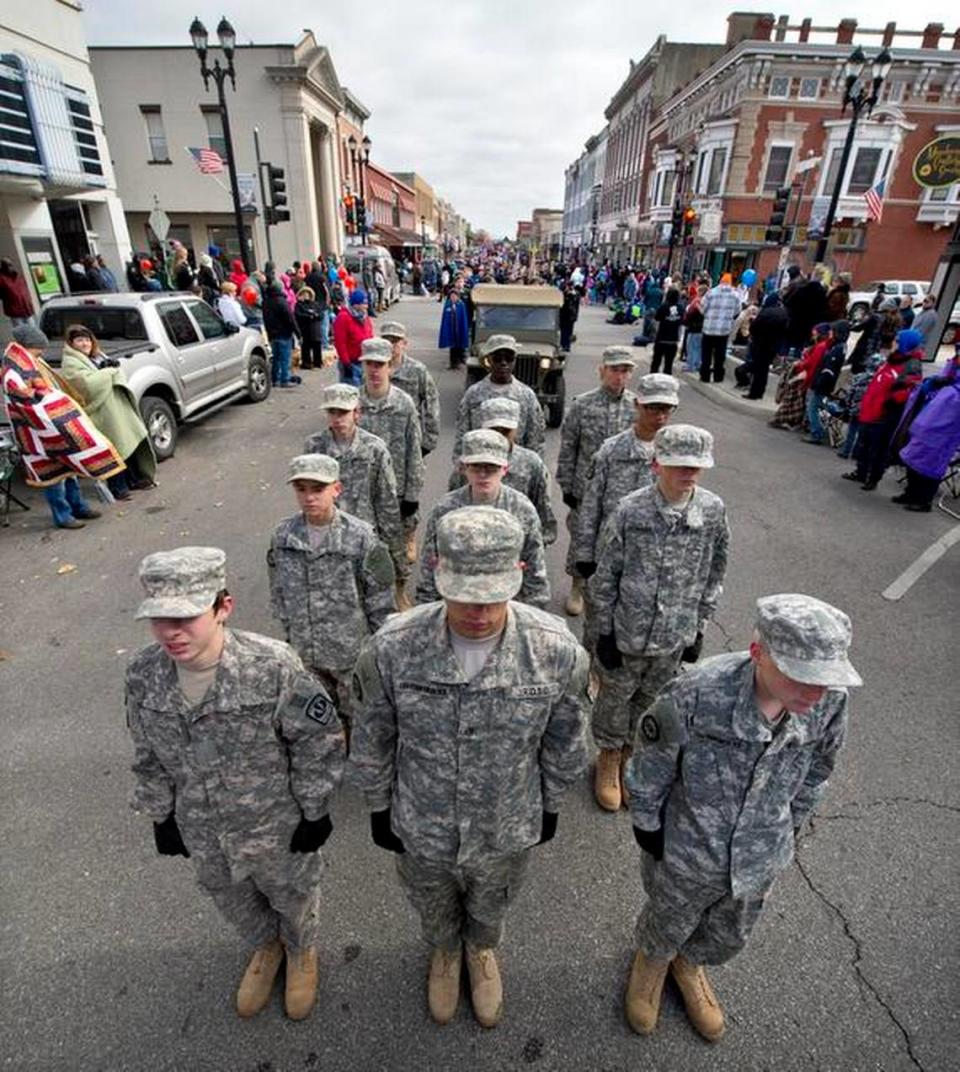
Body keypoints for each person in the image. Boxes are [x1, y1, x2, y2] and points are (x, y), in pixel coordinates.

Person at [351, 507, 590, 1028]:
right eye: (463, 594)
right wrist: (377, 805)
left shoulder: (555, 651)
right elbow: (372, 734)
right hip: (422, 818)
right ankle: (444, 952)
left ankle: (480, 951)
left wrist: (550, 805)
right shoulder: (393, 648)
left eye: (492, 595)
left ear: (520, 576)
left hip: (506, 819)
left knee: (492, 901)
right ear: (437, 573)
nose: (478, 611)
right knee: (431, 897)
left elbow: (566, 737)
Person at [623, 594, 861, 1042]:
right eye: (802, 676)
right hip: (689, 851)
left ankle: (688, 965)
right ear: (758, 654)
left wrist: (789, 826)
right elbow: (651, 762)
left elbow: (819, 769)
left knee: (727, 930)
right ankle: (651, 963)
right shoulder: (697, 691)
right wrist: (648, 825)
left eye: (826, 678)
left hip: (759, 854)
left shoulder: (830, 702)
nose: (816, 692)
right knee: (668, 916)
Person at [125, 547, 345, 1022]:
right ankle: (266, 947)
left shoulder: (273, 666)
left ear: (224, 607)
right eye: (160, 619)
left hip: (275, 825)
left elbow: (318, 741)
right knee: (230, 896)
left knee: (293, 894)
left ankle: (301, 951)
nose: (171, 632)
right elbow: (146, 750)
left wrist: (315, 809)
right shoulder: (144, 675)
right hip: (203, 827)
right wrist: (161, 815)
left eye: (186, 617)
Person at [590, 425, 730, 812]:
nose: (688, 473)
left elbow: (715, 571)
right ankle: (608, 758)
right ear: (656, 464)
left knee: (653, 700)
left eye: (696, 466)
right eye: (679, 465)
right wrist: (603, 631)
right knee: (615, 698)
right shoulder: (630, 510)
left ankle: (632, 755)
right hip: (628, 631)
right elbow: (607, 575)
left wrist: (699, 626)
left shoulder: (712, 510)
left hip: (675, 632)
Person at [268, 454, 395, 734]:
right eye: (301, 489)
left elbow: (380, 601)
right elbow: (278, 590)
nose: (309, 497)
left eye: (318, 489)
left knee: (360, 721)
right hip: (305, 653)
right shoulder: (284, 536)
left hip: (350, 654)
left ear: (336, 489)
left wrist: (378, 651)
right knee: (314, 724)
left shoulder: (361, 537)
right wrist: (290, 637)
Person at [574, 374, 680, 652]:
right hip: (608, 553)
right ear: (638, 405)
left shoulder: (678, 455)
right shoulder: (611, 450)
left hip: (653, 561)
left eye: (666, 409)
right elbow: (591, 506)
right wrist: (584, 555)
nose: (659, 416)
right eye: (653, 407)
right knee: (598, 629)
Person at [1, 323, 122, 529]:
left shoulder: (29, 362)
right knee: (52, 475)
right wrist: (59, 406)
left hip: (53, 427)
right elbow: (27, 401)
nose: (41, 353)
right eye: (39, 349)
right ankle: (63, 516)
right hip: (36, 432)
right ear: (29, 346)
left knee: (69, 467)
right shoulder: (13, 371)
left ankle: (78, 506)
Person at [417, 430, 550, 608]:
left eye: (491, 468)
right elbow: (430, 567)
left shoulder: (522, 510)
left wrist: (534, 615)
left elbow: (535, 571)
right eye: (476, 466)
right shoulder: (445, 510)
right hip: (458, 606)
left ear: (505, 469)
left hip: (505, 605)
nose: (483, 475)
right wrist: (427, 612)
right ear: (464, 468)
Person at [557, 346, 636, 616]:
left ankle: (612, 591)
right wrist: (566, 485)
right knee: (583, 540)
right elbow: (569, 447)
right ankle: (578, 587)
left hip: (625, 490)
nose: (620, 376)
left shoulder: (637, 407)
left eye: (625, 370)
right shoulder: (583, 405)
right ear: (601, 370)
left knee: (620, 542)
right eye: (614, 369)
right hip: (586, 489)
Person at [304, 384, 403, 568]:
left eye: (343, 412)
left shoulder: (374, 449)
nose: (337, 418)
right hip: (326, 540)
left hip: (364, 538)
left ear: (356, 413)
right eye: (332, 412)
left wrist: (396, 559)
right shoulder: (314, 447)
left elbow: (387, 503)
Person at [358, 338, 424, 607]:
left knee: (395, 546)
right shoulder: (353, 403)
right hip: (360, 491)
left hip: (395, 491)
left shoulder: (404, 404)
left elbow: (414, 452)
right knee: (361, 546)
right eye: (369, 364)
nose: (374, 370)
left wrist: (412, 494)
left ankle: (399, 590)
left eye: (380, 364)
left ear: (389, 367)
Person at [58, 324, 157, 499]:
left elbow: (116, 372)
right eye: (79, 340)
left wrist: (110, 369)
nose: (84, 343)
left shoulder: (97, 355)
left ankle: (136, 480)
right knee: (112, 449)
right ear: (71, 343)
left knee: (128, 443)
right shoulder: (70, 363)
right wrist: (109, 372)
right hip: (101, 412)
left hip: (116, 409)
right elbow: (86, 385)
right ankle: (118, 488)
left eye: (87, 339)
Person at [843, 328, 923, 491]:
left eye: (897, 341)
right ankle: (861, 471)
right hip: (872, 409)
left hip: (885, 414)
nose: (893, 343)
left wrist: (891, 399)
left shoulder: (911, 365)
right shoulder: (893, 359)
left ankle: (872, 478)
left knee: (877, 448)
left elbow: (911, 389)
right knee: (864, 443)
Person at [452, 335, 546, 464]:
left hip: (516, 467)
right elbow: (462, 435)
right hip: (481, 466)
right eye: (497, 358)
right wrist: (461, 465)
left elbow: (536, 439)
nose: (504, 363)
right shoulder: (474, 394)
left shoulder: (526, 396)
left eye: (509, 358)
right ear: (488, 360)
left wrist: (533, 468)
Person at [478, 397, 558, 545]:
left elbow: (544, 517)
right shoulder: (471, 465)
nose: (500, 436)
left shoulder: (532, 464)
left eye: (505, 431)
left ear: (516, 429)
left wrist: (532, 553)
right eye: (494, 430)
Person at [894, 357, 960, 511]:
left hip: (944, 432)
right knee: (913, 459)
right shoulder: (950, 377)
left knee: (930, 466)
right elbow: (947, 374)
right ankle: (911, 493)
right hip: (928, 424)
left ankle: (923, 501)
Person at [380, 320, 440, 458]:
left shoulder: (417, 370)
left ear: (404, 343)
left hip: (409, 441)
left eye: (395, 341)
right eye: (387, 341)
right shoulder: (373, 370)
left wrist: (429, 440)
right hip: (380, 439)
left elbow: (432, 403)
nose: (391, 345)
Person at [768, 323, 831, 431]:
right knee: (796, 401)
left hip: (805, 375)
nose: (813, 336)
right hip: (805, 374)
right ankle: (790, 421)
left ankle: (785, 420)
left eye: (815, 334)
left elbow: (812, 363)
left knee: (793, 399)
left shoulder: (820, 347)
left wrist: (800, 366)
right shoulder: (821, 346)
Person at [802, 321, 850, 445]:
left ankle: (816, 432)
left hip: (823, 382)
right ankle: (822, 425)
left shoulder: (837, 349)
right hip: (825, 381)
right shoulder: (839, 346)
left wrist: (819, 382)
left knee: (813, 406)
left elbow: (829, 369)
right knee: (818, 404)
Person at [744, 293, 788, 401]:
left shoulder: (765, 312)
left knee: (758, 368)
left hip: (760, 344)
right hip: (773, 346)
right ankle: (760, 391)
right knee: (764, 369)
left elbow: (754, 327)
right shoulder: (784, 314)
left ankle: (754, 392)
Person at [699, 274, 742, 384]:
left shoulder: (711, 293)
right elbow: (737, 311)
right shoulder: (735, 295)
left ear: (720, 281)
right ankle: (718, 376)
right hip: (724, 330)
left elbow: (703, 309)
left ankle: (705, 375)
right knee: (720, 355)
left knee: (706, 354)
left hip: (709, 328)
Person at [332, 288, 373, 386]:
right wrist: (346, 363)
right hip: (351, 363)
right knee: (352, 393)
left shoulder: (364, 317)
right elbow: (340, 343)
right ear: (356, 305)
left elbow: (370, 335)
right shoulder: (343, 317)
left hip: (364, 361)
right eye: (364, 303)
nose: (366, 306)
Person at [263, 281, 300, 388]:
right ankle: (285, 379)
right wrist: (298, 333)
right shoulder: (281, 301)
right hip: (283, 333)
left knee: (276, 358)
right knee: (285, 358)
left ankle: (275, 378)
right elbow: (290, 319)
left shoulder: (266, 302)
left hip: (272, 333)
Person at [651, 289, 683, 375]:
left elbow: (656, 322)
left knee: (656, 362)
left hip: (661, 338)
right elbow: (681, 324)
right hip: (673, 340)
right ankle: (667, 381)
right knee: (669, 364)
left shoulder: (663, 307)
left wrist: (655, 334)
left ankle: (652, 379)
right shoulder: (681, 308)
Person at [293, 287, 326, 371]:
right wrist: (310, 316)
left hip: (315, 329)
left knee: (317, 346)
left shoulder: (315, 304)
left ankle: (317, 363)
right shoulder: (299, 305)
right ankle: (306, 363)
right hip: (305, 329)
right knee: (305, 347)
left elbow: (321, 315)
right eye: (303, 294)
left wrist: (315, 315)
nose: (305, 295)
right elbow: (298, 315)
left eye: (307, 294)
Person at [439, 287, 470, 369]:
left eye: (455, 296)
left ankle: (459, 362)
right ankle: (453, 364)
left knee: (459, 347)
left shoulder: (461, 305)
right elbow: (445, 317)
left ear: (458, 296)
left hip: (459, 330)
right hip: (451, 330)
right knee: (452, 348)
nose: (453, 298)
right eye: (451, 296)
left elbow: (463, 318)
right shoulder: (448, 304)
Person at [0, 257, 35, 327]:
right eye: (7, 265)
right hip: (15, 312)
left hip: (26, 309)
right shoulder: (1, 279)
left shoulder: (18, 276)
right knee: (21, 333)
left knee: (33, 331)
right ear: (3, 267)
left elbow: (24, 291)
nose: (10, 267)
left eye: (10, 265)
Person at [681, 286, 705, 373]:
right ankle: (697, 364)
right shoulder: (706, 303)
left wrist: (686, 322)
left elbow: (690, 314)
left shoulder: (696, 303)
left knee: (691, 347)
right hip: (702, 328)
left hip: (694, 327)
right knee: (698, 347)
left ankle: (690, 366)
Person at [911, 294, 939, 358]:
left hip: (917, 345)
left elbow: (922, 331)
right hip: (913, 343)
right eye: (924, 301)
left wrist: (912, 342)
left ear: (933, 303)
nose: (924, 303)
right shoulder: (923, 312)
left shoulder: (930, 315)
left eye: (927, 301)